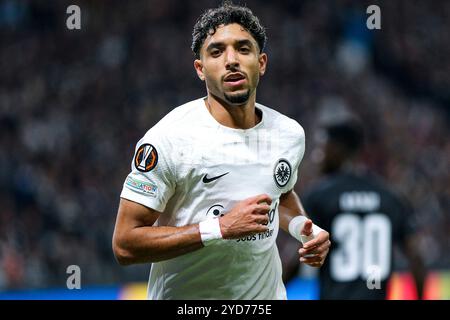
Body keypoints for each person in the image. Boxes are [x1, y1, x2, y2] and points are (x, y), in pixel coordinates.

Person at [112, 2, 330, 299]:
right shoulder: (170, 138)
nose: (231, 60)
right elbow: (125, 244)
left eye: (243, 49)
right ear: (200, 70)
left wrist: (302, 229)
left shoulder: (288, 134)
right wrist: (221, 228)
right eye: (216, 52)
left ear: (261, 62)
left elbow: (281, 191)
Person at [284, 117, 426, 299]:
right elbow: (417, 257)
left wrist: (271, 291)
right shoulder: (390, 197)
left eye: (322, 147)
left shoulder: (321, 196)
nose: (317, 156)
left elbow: (300, 256)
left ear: (338, 148)